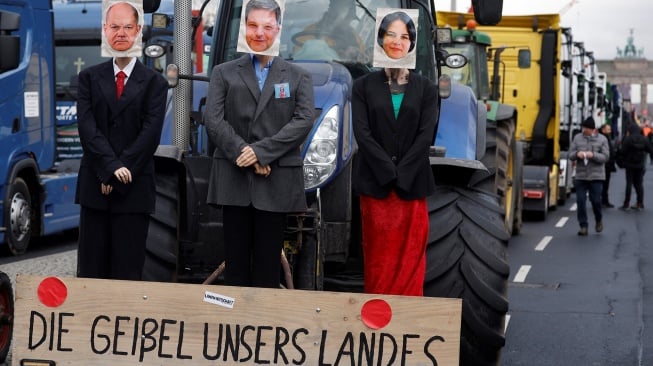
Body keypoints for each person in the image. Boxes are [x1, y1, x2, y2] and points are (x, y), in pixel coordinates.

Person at [204, 0, 315, 288]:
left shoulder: (297, 76)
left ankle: (265, 328)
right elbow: (213, 120)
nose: (260, 33)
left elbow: (303, 121)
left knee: (268, 269)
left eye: (267, 26)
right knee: (235, 267)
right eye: (253, 25)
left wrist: (262, 153)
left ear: (278, 29)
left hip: (275, 182)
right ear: (244, 28)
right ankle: (233, 329)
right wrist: (246, 153)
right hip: (234, 179)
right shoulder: (223, 72)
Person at [75, 0, 168, 280]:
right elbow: (87, 128)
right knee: (91, 272)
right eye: (115, 26)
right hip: (95, 189)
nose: (121, 33)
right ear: (105, 29)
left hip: (133, 190)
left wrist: (118, 171)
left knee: (127, 272)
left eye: (128, 27)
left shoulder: (155, 83)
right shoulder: (88, 78)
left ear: (139, 30)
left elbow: (149, 134)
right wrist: (109, 168)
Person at [352, 65, 438, 296]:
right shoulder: (362, 86)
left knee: (410, 257)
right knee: (378, 259)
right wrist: (388, 172)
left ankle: (407, 317)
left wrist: (403, 174)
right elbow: (362, 133)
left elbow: (425, 135)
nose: (397, 43)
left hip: (412, 185)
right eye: (391, 35)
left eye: (404, 36)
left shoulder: (427, 88)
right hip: (375, 185)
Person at [568, 117, 609, 236]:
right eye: (583, 128)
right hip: (581, 176)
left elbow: (606, 157)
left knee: (596, 201)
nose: (583, 130)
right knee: (580, 201)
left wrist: (593, 155)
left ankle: (598, 219)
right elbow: (570, 155)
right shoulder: (577, 138)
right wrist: (577, 154)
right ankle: (583, 226)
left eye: (586, 128)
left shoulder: (602, 139)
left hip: (596, 176)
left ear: (592, 130)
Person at [619, 123, 653, 210]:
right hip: (640, 164)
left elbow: (622, 151)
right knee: (639, 184)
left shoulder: (628, 139)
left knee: (629, 184)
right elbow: (650, 150)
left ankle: (626, 203)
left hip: (629, 164)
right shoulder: (644, 139)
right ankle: (640, 202)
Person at [599, 123, 617, 208]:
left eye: (610, 129)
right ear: (603, 130)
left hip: (607, 165)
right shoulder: (602, 139)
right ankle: (603, 201)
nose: (610, 131)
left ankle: (604, 201)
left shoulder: (607, 138)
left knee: (605, 184)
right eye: (608, 129)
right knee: (603, 184)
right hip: (604, 165)